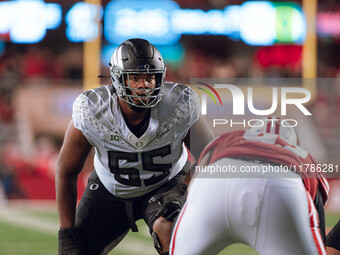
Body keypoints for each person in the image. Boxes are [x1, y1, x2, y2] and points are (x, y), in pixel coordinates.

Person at [56, 38, 214, 255]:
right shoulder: (92, 110)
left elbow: (211, 156)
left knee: (168, 227)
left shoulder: (179, 104)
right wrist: (66, 232)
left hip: (166, 184)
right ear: (117, 78)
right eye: (135, 78)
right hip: (109, 187)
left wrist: (183, 189)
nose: (144, 85)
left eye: (150, 77)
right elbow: (66, 172)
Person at [170, 117, 329, 255]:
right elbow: (317, 209)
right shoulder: (301, 155)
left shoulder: (227, 138)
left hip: (214, 180)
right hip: (278, 183)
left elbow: (197, 176)